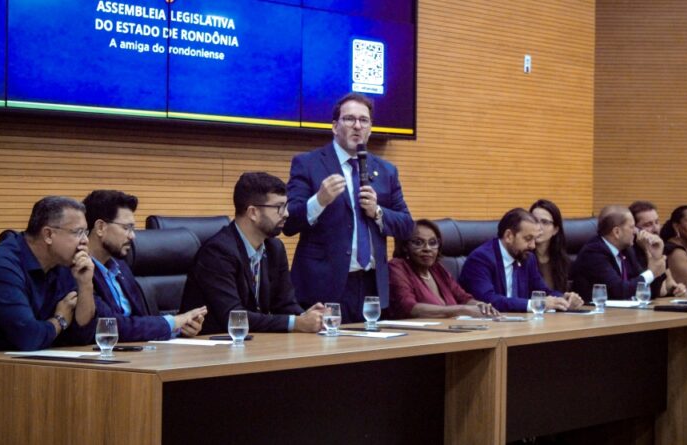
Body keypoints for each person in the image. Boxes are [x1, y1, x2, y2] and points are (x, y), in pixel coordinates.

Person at [284, 93, 414, 323]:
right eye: (349, 119)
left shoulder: (386, 170)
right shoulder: (308, 163)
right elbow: (289, 223)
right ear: (335, 126)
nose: (357, 126)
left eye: (364, 121)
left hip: (372, 286)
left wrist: (378, 212)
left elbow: (406, 226)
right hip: (324, 288)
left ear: (371, 128)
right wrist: (319, 201)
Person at [0, 196, 95, 354]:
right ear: (48, 235)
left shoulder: (63, 263)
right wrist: (60, 320)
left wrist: (85, 284)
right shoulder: (0, 266)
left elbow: (84, 335)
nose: (85, 240)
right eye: (78, 232)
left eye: (85, 232)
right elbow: (28, 337)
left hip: (27, 365)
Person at [180, 172, 323, 334]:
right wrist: (296, 322)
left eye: (286, 205)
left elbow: (285, 304)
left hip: (254, 344)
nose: (286, 214)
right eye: (278, 207)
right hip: (211, 348)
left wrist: (307, 317)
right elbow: (234, 317)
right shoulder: (217, 253)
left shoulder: (274, 248)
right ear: (253, 212)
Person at [83, 190, 207, 342]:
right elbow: (110, 326)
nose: (132, 236)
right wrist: (174, 322)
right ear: (100, 227)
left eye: (133, 229)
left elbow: (141, 321)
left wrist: (181, 328)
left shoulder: (121, 267)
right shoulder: (79, 271)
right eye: (126, 228)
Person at [459, 208, 583, 313]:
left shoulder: (527, 258)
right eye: (528, 239)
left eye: (534, 239)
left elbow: (542, 292)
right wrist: (533, 304)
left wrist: (563, 298)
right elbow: (488, 300)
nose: (533, 246)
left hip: (520, 325)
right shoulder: (481, 259)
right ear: (509, 236)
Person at [388, 219, 499, 319]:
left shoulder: (437, 269)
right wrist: (462, 310)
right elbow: (409, 308)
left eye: (433, 243)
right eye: (418, 243)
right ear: (405, 246)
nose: (427, 248)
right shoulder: (397, 267)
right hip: (419, 337)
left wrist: (480, 306)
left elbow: (464, 298)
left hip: (451, 331)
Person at [570, 205, 666, 301]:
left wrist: (655, 257)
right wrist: (651, 273)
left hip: (623, 313)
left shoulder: (627, 250)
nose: (636, 231)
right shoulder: (593, 253)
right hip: (596, 313)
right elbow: (619, 291)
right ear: (617, 232)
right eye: (632, 227)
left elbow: (650, 293)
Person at [629, 201, 686, 298]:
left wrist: (677, 288)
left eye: (657, 222)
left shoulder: (658, 246)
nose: (656, 229)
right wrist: (649, 253)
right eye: (648, 225)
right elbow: (659, 292)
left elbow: (668, 284)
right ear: (635, 229)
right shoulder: (629, 252)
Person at [529, 199, 571, 292]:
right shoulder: (522, 259)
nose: (538, 227)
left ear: (555, 230)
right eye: (534, 221)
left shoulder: (563, 261)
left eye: (544, 222)